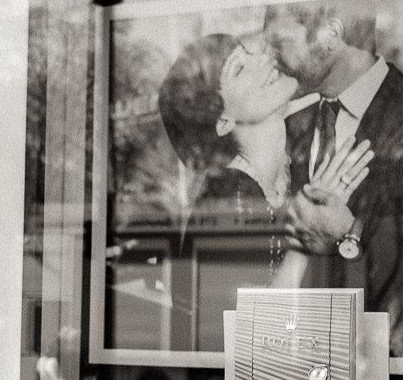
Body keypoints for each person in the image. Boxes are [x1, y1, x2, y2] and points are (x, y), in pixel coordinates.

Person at [264, 0, 403, 358]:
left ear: (329, 34)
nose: (271, 59)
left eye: (279, 44)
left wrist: (350, 234)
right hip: (305, 362)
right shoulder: (283, 132)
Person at [158, 33, 371, 285]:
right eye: (238, 69)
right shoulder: (225, 202)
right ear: (223, 121)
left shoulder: (314, 144)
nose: (265, 58)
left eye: (253, 52)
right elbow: (250, 322)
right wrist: (303, 246)